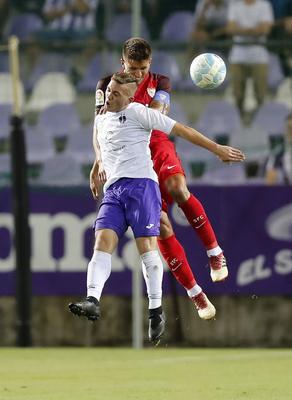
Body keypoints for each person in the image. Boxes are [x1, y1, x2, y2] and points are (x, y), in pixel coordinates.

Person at [69, 72, 244, 342]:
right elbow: (98, 140)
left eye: (116, 93)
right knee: (101, 241)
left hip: (142, 187)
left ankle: (156, 310)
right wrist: (97, 164)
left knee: (147, 246)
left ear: (130, 97)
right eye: (110, 92)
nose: (110, 96)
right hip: (114, 190)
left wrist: (216, 148)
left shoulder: (141, 112)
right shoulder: (102, 117)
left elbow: (182, 130)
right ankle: (93, 298)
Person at [226, 0, 274, 116]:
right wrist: (253, 30)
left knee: (261, 94)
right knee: (237, 95)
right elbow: (230, 29)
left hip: (259, 55)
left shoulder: (264, 5)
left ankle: (261, 119)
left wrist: (241, 30)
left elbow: (265, 30)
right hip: (238, 55)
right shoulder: (234, 5)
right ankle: (239, 119)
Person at [265, 113, 292, 185]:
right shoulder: (278, 152)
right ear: (284, 131)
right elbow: (270, 182)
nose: (291, 132)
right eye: (289, 128)